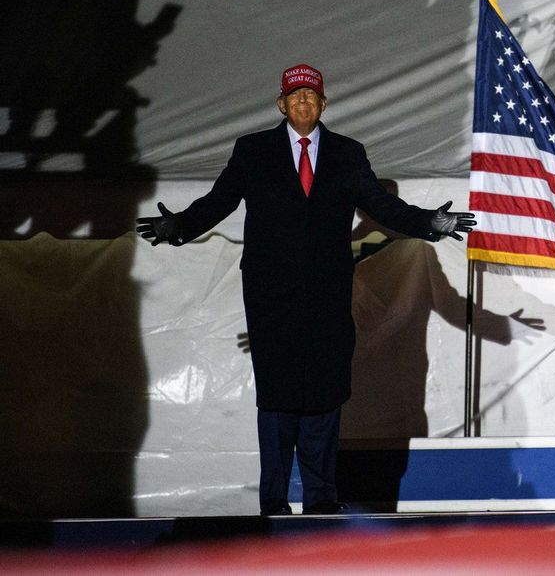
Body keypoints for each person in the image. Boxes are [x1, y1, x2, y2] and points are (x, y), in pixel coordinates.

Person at [136, 63, 475, 516]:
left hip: (327, 299)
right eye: (294, 96)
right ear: (281, 103)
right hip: (271, 300)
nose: (302, 103)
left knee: (323, 396)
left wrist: (428, 222)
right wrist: (178, 225)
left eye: (311, 96)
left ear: (323, 104)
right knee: (277, 399)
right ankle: (274, 502)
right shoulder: (252, 150)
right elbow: (218, 202)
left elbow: (381, 206)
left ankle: (320, 499)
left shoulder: (348, 154)